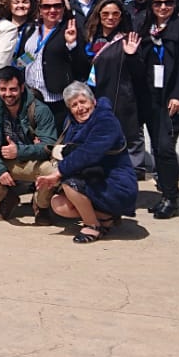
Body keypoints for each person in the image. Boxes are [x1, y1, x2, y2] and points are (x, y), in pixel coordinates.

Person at [34, 82, 137, 243]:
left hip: (116, 184)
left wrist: (58, 173)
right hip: (92, 179)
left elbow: (89, 152)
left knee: (70, 183)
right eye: (74, 105)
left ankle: (93, 225)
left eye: (83, 102)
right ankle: (106, 217)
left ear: (93, 101)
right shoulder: (73, 123)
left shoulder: (105, 120)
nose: (79, 108)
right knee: (58, 204)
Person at [0, 66, 60, 224]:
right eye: (3, 89)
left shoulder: (40, 110)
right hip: (5, 159)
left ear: (22, 88)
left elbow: (49, 146)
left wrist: (19, 151)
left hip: (33, 161)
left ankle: (41, 205)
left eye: (13, 89)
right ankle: (6, 198)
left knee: (53, 171)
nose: (8, 94)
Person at [139, 0, 179, 219]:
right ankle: (164, 195)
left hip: (170, 98)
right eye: (158, 3)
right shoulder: (144, 27)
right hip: (148, 95)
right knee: (156, 146)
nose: (163, 7)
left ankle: (172, 198)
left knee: (165, 147)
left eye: (168, 3)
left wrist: (178, 95)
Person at [82, 0, 147, 179]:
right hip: (95, 97)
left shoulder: (128, 39)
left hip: (122, 99)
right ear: (99, 15)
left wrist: (132, 55)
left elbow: (139, 74)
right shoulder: (90, 38)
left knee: (127, 143)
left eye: (115, 14)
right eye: (106, 14)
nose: (110, 18)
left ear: (121, 16)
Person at [19, 0, 88, 126]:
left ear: (63, 8)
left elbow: (82, 66)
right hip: (31, 97)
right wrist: (18, 71)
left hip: (57, 99)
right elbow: (27, 57)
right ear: (40, 9)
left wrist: (72, 45)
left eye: (57, 6)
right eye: (46, 6)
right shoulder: (31, 29)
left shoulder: (69, 30)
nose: (52, 10)